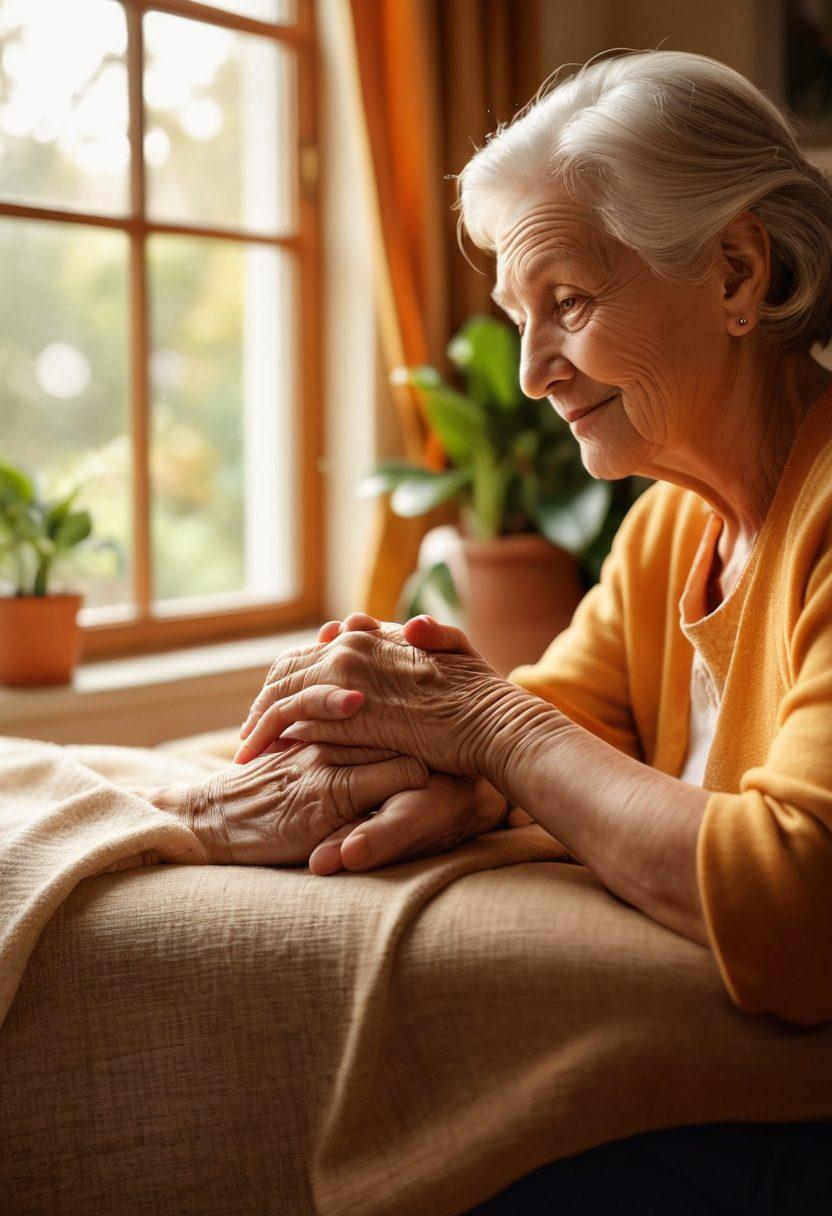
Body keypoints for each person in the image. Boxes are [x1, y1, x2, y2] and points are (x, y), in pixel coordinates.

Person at [228, 49, 832, 1210]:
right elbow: (549, 732)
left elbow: (798, 905)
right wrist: (401, 742)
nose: (529, 373)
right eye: (519, 316)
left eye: (568, 301)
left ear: (737, 273)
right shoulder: (670, 530)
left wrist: (489, 735)